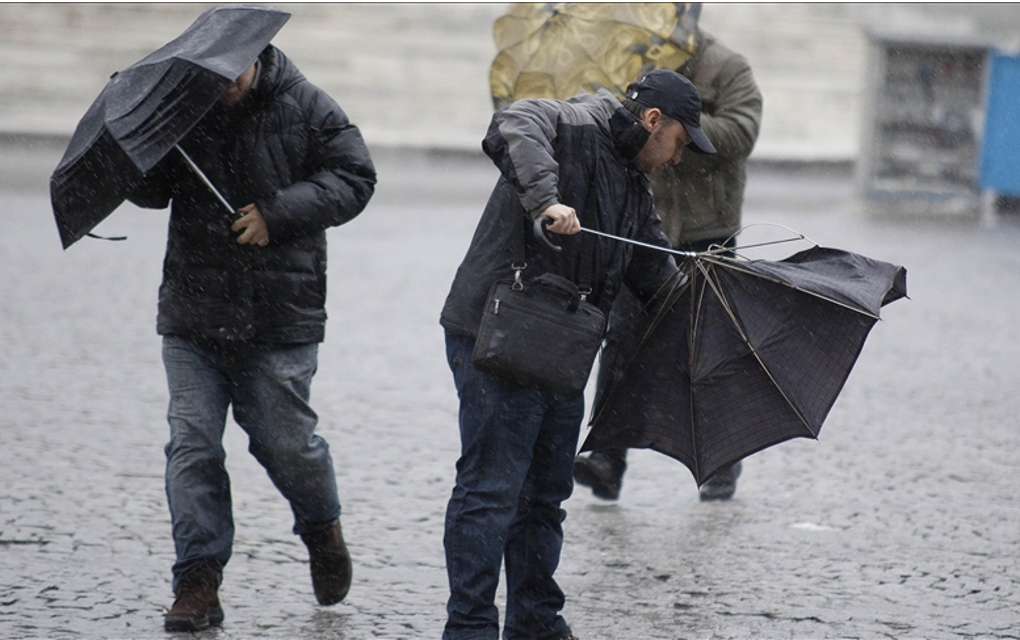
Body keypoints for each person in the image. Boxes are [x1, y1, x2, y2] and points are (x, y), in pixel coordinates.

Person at [439, 69, 715, 640]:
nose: (677, 158)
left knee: (544, 499)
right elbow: (514, 122)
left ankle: (535, 625)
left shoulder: (636, 192)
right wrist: (547, 201)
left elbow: (659, 285)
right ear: (653, 120)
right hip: (497, 336)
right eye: (680, 144)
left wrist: (716, 296)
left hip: (560, 353)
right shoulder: (575, 122)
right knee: (491, 490)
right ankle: (468, 628)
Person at [126, 41, 376, 632]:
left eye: (231, 73)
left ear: (255, 55)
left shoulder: (309, 105)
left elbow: (356, 176)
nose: (223, 85)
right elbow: (152, 192)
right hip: (193, 310)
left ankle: (321, 528)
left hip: (278, 314)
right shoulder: (181, 111)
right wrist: (140, 156)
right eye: (210, 76)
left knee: (286, 443)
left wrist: (277, 212)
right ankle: (197, 581)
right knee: (192, 447)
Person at [573, 25, 763, 503]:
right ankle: (607, 459)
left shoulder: (728, 67)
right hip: (646, 225)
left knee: (708, 345)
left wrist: (682, 130)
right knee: (620, 338)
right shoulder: (635, 63)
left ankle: (721, 461)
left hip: (708, 232)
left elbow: (742, 132)